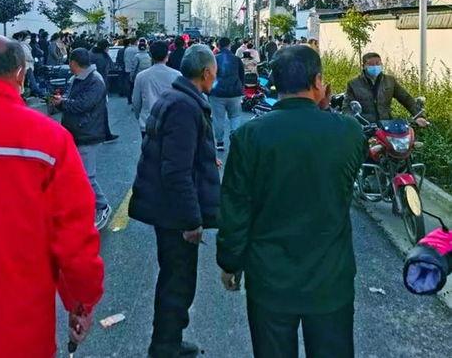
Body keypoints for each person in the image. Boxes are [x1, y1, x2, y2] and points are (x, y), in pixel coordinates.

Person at [0, 36, 104, 357]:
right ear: (20, 74)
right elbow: (75, 238)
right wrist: (81, 302)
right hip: (20, 320)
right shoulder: (49, 140)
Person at [217, 45, 367, 358]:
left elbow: (236, 208)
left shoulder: (249, 136)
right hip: (330, 279)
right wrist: (324, 109)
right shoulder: (348, 132)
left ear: (275, 83)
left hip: (269, 279)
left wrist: (230, 262)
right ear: (318, 81)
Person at [129, 44, 220, 358]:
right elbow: (176, 171)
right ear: (206, 72)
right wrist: (192, 220)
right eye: (214, 72)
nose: (215, 77)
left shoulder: (177, 97)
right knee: (178, 282)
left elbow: (178, 156)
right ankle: (165, 346)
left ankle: (169, 340)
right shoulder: (184, 106)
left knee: (175, 278)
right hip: (174, 214)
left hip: (166, 208)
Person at [52, 48, 112, 229]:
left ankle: (102, 206)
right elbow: (74, 101)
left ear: (73, 62)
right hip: (76, 132)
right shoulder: (77, 78)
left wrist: (62, 102)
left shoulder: (95, 80)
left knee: (87, 176)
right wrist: (62, 100)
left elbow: (83, 105)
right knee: (74, 174)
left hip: (88, 133)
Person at [342, 52, 428, 126]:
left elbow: (406, 98)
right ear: (364, 66)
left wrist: (419, 116)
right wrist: (353, 123)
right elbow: (347, 107)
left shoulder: (390, 81)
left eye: (377, 63)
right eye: (371, 64)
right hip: (365, 127)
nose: (375, 66)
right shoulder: (353, 84)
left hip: (387, 125)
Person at [132, 40, 181, 138]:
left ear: (151, 55)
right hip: (170, 122)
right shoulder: (177, 75)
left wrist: (138, 115)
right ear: (167, 55)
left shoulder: (141, 76)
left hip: (147, 122)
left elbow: (136, 101)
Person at [210, 37, 245, 152]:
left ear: (218, 46)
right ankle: (234, 137)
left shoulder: (214, 59)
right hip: (235, 92)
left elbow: (210, 76)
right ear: (229, 45)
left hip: (217, 93)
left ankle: (220, 142)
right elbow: (242, 75)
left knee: (218, 118)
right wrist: (241, 89)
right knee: (235, 116)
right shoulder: (236, 59)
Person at [89, 39, 119, 142]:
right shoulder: (103, 57)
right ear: (105, 47)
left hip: (89, 84)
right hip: (100, 84)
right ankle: (106, 134)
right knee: (102, 111)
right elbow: (110, 67)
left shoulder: (91, 53)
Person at [15, 31, 44, 97]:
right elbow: (27, 56)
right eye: (27, 37)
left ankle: (28, 92)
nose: (29, 39)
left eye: (29, 37)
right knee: (31, 79)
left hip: (27, 65)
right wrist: (32, 59)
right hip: (27, 66)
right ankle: (35, 91)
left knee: (27, 80)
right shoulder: (22, 45)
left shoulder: (25, 45)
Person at [124, 37, 139, 104]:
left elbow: (124, 58)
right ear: (135, 42)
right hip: (135, 70)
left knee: (129, 86)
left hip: (128, 69)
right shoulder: (137, 49)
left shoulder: (127, 49)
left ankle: (129, 99)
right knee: (135, 86)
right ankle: (135, 99)